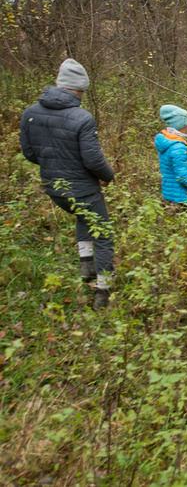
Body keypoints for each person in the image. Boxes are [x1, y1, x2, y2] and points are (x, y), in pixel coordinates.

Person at [19, 59, 115, 310]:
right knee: (104, 237)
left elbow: (29, 153)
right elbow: (93, 159)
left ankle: (87, 264)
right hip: (83, 187)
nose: (83, 96)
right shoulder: (82, 117)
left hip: (54, 187)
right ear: (77, 89)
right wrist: (108, 175)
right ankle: (104, 292)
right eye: (83, 91)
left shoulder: (30, 113)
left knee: (82, 216)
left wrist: (53, 164)